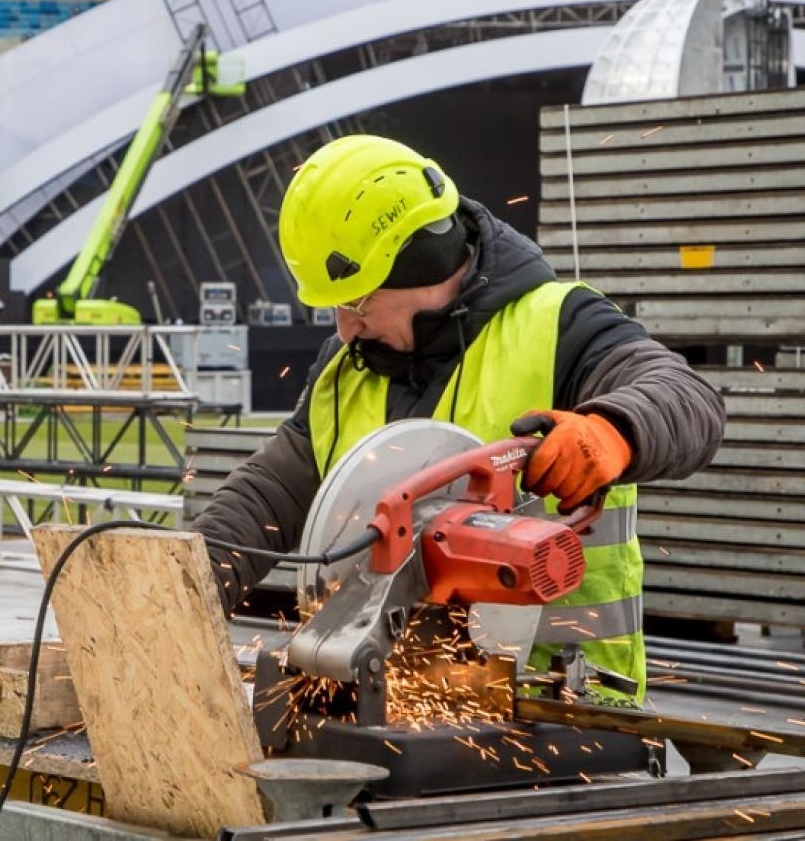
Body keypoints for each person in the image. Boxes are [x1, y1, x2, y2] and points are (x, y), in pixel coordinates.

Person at [191, 134, 725, 702]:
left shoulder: (558, 327)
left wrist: (614, 430)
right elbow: (268, 498)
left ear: (419, 265)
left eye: (357, 302)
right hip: (386, 705)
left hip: (565, 712)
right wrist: (175, 593)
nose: (345, 328)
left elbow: (687, 398)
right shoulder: (346, 371)